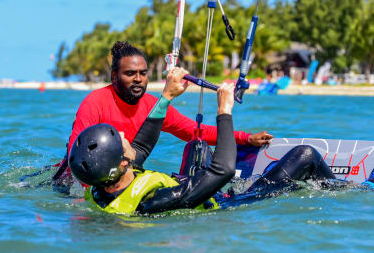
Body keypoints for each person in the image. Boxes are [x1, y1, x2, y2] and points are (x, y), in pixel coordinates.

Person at [69, 68, 337, 216]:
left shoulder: (101, 189)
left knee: (196, 145)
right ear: (122, 163)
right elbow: (223, 171)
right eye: (122, 140)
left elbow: (141, 146)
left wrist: (166, 97)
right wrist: (224, 111)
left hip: (186, 184)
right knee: (306, 155)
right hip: (226, 200)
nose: (127, 135)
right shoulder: (154, 199)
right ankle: (343, 190)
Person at [53, 41, 273, 185]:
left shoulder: (152, 105)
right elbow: (78, 154)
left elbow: (194, 132)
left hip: (121, 177)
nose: (138, 79)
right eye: (130, 73)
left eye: (143, 73)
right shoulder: (95, 102)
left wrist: (245, 138)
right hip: (76, 181)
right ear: (114, 77)